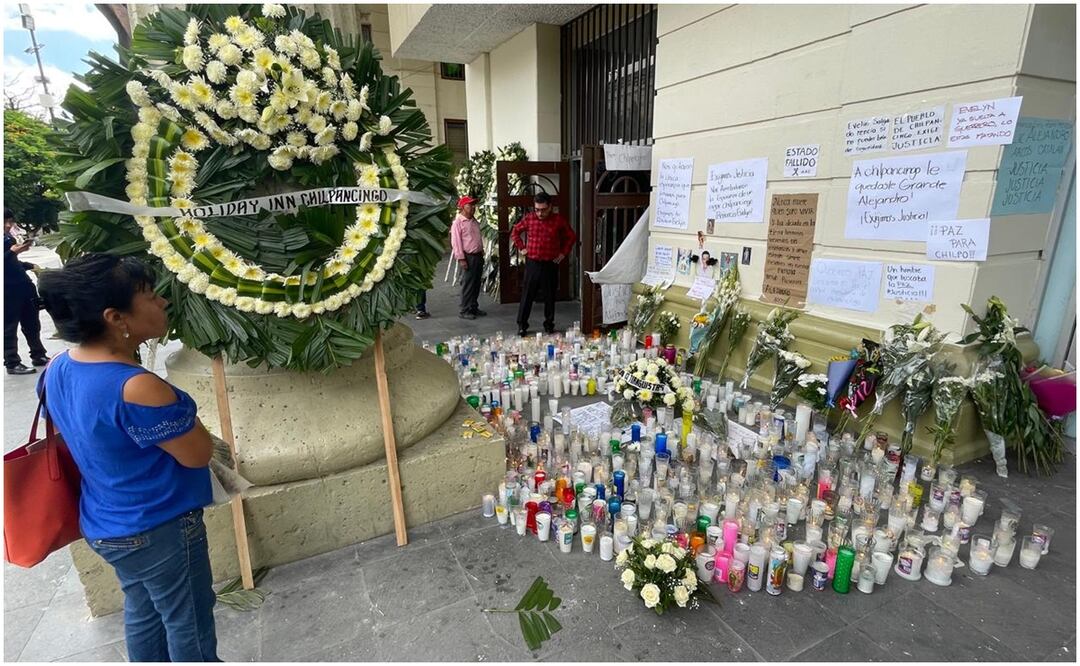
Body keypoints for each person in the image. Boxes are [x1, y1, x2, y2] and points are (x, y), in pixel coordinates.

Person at [37, 254, 219, 662]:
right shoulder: (136, 387)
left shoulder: (56, 369)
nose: (162, 303)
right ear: (116, 318)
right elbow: (196, 455)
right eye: (150, 296)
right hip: (158, 526)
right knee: (188, 623)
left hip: (108, 524)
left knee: (144, 612)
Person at [510, 192, 576, 336]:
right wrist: (521, 247)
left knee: (549, 296)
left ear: (550, 207)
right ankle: (522, 325)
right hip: (533, 262)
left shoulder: (558, 220)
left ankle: (549, 324)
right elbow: (515, 231)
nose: (540, 213)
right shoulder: (529, 218)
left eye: (543, 210)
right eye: (537, 209)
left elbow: (571, 237)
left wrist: (563, 253)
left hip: (550, 263)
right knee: (527, 295)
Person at [4, 210, 48, 375]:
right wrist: (13, 252)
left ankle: (38, 355)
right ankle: (12, 362)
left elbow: (11, 263)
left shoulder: (8, 239)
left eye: (10, 221)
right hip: (7, 291)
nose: (8, 225)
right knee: (9, 327)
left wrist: (29, 265)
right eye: (4, 222)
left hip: (23, 287)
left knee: (32, 323)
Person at [450, 195, 486, 320]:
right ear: (462, 207)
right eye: (470, 205)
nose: (473, 207)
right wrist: (461, 258)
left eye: (473, 205)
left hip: (477, 255)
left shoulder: (474, 221)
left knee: (476, 283)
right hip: (468, 256)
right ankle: (464, 309)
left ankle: (473, 306)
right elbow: (456, 242)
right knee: (468, 284)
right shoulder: (458, 223)